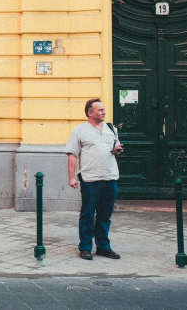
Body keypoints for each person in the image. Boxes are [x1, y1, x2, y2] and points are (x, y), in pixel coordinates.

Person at [64, 98, 124, 260]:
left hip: (110, 177)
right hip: (90, 180)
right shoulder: (80, 130)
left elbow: (114, 148)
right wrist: (72, 177)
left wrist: (117, 150)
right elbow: (72, 154)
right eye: (100, 110)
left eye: (104, 110)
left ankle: (103, 247)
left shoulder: (110, 129)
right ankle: (85, 247)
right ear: (90, 113)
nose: (104, 112)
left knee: (105, 215)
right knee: (87, 214)